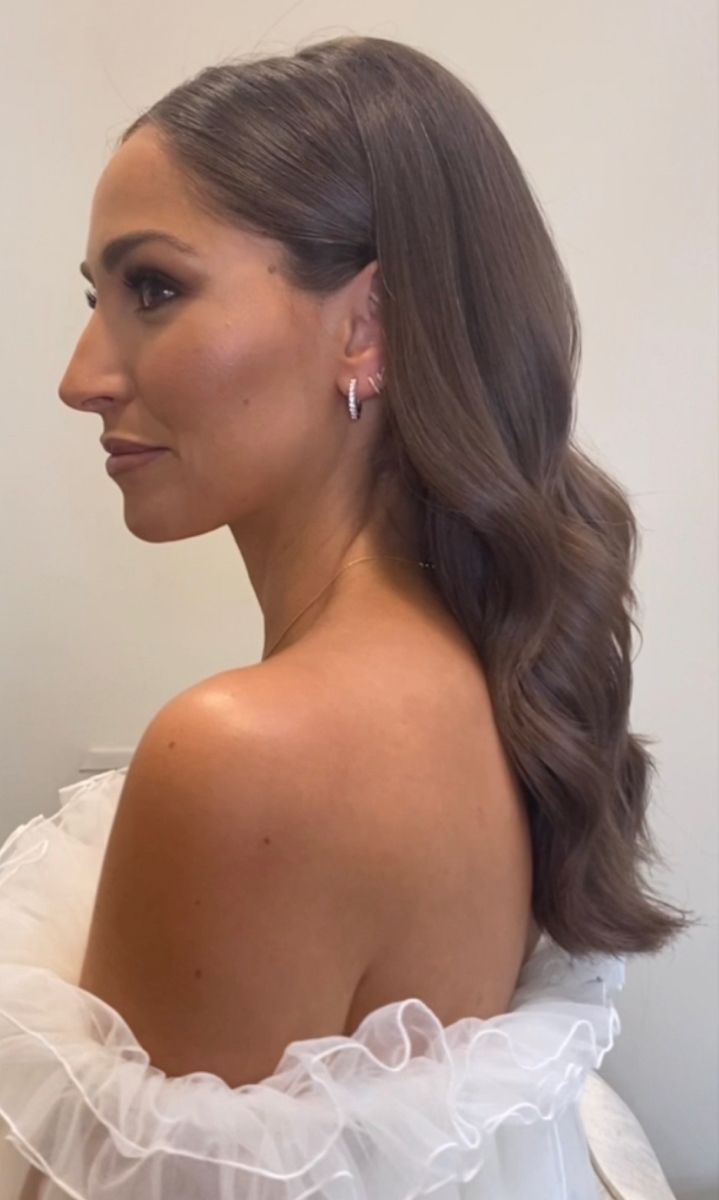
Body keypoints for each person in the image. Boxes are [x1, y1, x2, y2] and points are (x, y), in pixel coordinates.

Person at [0, 34, 696, 1199]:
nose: (82, 374)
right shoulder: (492, 657)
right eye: (97, 299)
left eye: (154, 289)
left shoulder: (249, 754)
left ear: (364, 325)